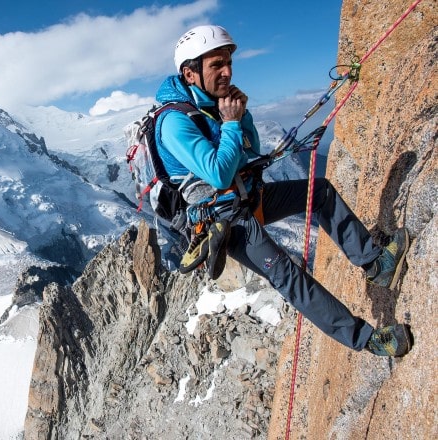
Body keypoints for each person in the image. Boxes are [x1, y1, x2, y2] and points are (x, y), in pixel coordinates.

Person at [154, 25, 413, 357]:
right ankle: (371, 341)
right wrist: (231, 122)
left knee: (319, 192)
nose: (228, 72)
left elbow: (249, 149)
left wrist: (241, 116)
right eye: (216, 65)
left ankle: (376, 264)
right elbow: (218, 174)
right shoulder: (174, 122)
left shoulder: (209, 104)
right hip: (223, 222)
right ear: (190, 73)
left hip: (243, 197)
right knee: (288, 275)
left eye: (228, 63)